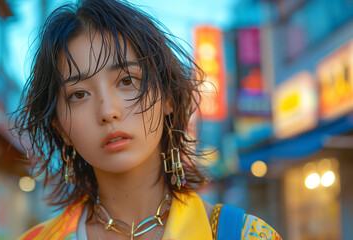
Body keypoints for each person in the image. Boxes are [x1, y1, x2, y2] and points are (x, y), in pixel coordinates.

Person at [14, 0, 282, 239]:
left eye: (127, 80)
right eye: (79, 94)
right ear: (61, 128)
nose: (108, 111)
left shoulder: (245, 235)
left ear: (167, 97)